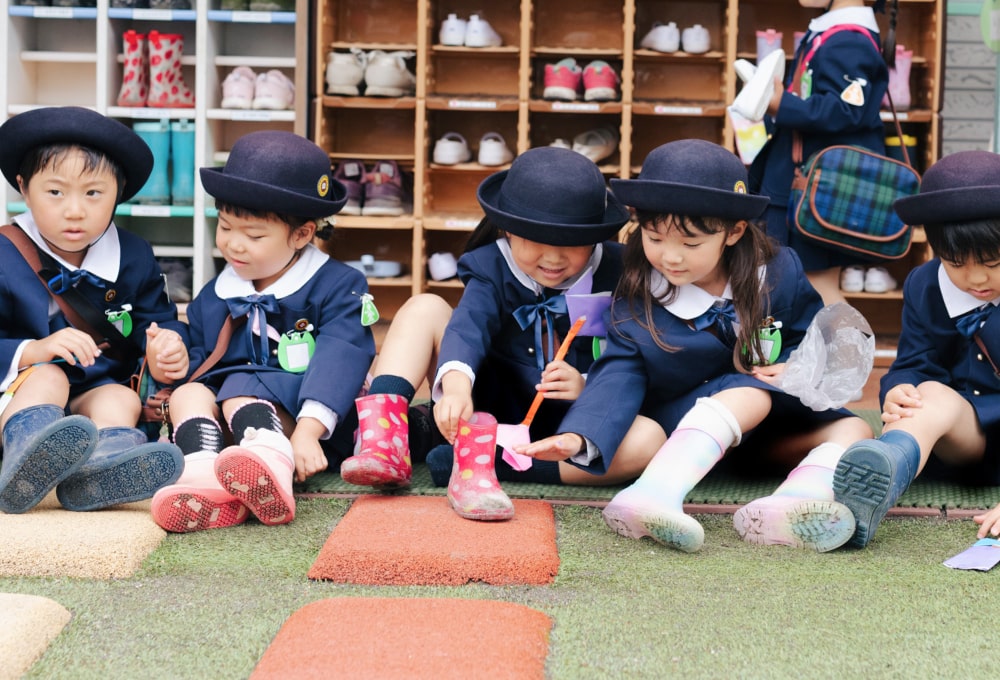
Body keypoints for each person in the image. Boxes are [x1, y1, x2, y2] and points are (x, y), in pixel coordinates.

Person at [520, 140, 873, 552]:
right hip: (682, 434)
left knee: (857, 428)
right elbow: (618, 373)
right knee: (748, 394)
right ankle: (654, 493)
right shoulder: (636, 297)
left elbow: (804, 336)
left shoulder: (779, 272)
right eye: (654, 238)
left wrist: (796, 365)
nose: (670, 257)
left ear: (734, 232)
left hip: (763, 436)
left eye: (690, 245)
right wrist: (581, 436)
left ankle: (790, 505)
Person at [337, 147, 665, 521]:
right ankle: (383, 438)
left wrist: (589, 385)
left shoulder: (623, 271)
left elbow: (634, 353)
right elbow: (468, 326)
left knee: (650, 440)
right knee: (424, 307)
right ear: (508, 229)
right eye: (535, 241)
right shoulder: (491, 265)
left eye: (571, 244)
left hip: (574, 422)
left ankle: (491, 463)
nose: (553, 259)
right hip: (488, 403)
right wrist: (458, 386)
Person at [150, 130, 374, 533]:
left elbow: (342, 356)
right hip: (231, 418)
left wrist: (308, 432)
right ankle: (202, 473)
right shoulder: (217, 292)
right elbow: (204, 357)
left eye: (253, 236)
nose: (234, 245)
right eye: (225, 227)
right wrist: (175, 357)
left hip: (308, 415)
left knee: (239, 390)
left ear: (303, 234)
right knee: (190, 393)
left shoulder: (338, 285)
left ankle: (271, 462)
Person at [0, 106, 187, 514]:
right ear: (23, 187)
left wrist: (164, 347)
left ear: (117, 192)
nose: (74, 210)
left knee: (120, 400)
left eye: (93, 193)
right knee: (47, 378)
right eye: (55, 192)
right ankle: (27, 458)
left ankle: (102, 469)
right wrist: (35, 350)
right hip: (19, 389)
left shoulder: (133, 254)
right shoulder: (4, 252)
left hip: (95, 385)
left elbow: (155, 324)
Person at [833, 150, 1000, 547]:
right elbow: (913, 362)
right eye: (956, 262)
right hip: (964, 437)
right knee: (925, 396)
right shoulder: (925, 284)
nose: (975, 277)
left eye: (993, 262)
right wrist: (899, 390)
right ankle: (884, 471)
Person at [751, 0, 891, 305]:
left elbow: (846, 110)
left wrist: (781, 104)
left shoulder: (848, 39)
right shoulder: (835, 33)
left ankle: (847, 352)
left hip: (812, 189)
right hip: (805, 184)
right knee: (800, 283)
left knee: (813, 285)